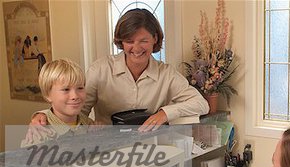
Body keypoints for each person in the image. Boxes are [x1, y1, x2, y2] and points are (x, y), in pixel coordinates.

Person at [31, 8, 209, 131]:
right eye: (129, 41)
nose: (136, 48)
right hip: (107, 150)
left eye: (143, 41)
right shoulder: (100, 70)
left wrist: (165, 114)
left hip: (149, 149)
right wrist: (45, 115)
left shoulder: (166, 74)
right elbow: (76, 108)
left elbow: (201, 104)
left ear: (155, 39)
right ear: (121, 41)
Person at [22, 59, 93, 146]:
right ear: (48, 95)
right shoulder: (39, 132)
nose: (75, 96)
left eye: (80, 88)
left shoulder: (88, 123)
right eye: (66, 89)